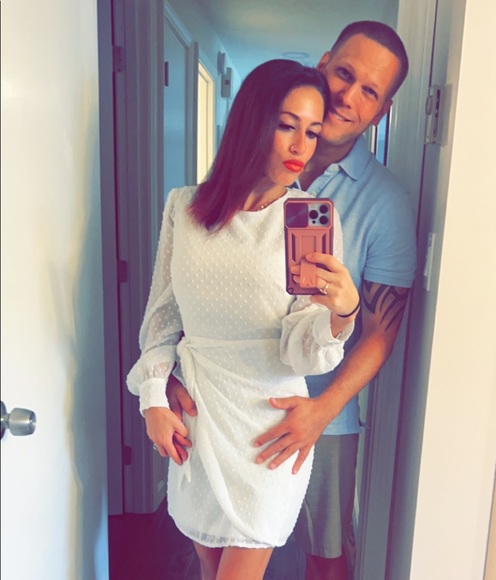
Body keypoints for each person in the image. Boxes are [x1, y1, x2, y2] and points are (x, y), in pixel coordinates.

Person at [168, 21, 417, 580]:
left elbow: (382, 331)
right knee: (211, 548)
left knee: (325, 557)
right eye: (344, 74)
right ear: (323, 64)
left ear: (383, 110)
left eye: (370, 91)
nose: (347, 97)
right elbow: (204, 288)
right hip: (223, 406)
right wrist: (175, 371)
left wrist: (321, 412)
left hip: (322, 413)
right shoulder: (244, 176)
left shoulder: (386, 203)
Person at [126, 59, 361, 580]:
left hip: (269, 432)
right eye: (287, 125)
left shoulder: (307, 220)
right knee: (208, 567)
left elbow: (300, 350)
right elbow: (162, 320)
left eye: (313, 132)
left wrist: (341, 313)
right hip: (200, 421)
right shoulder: (185, 209)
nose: (301, 146)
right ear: (252, 122)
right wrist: (153, 400)